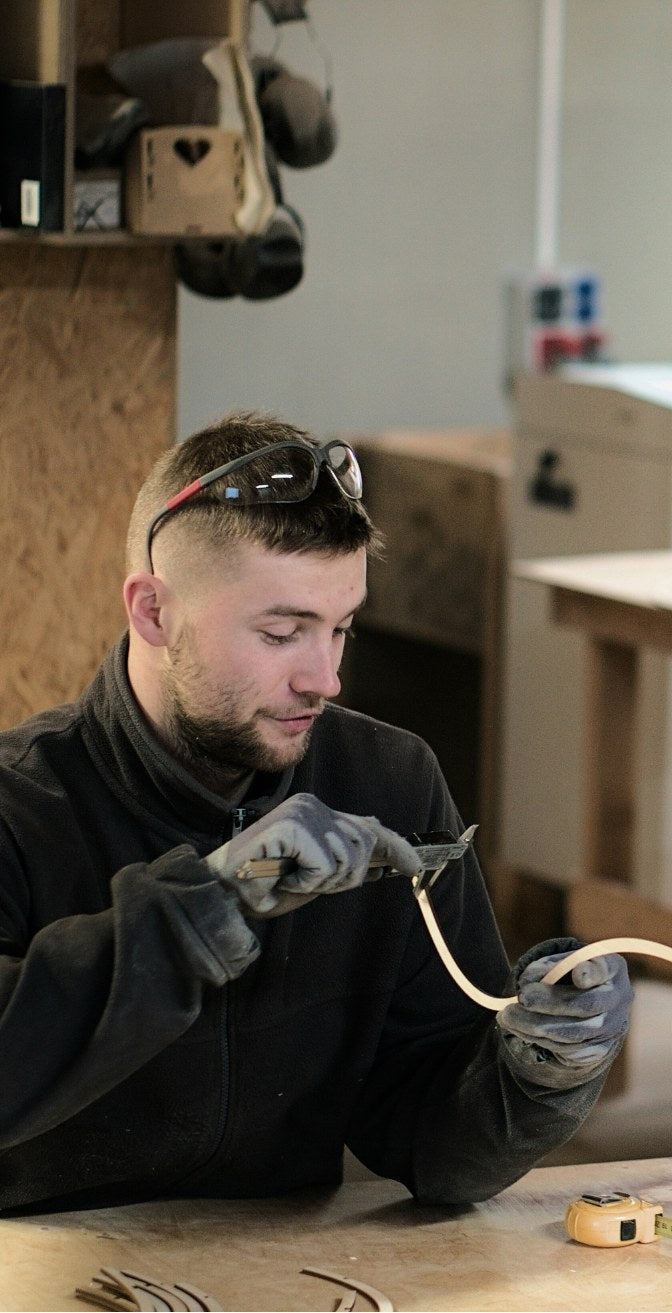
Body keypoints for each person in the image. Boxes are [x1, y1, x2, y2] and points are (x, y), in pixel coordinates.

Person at [0, 413, 632, 1213]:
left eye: (340, 629)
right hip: (46, 1262)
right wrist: (198, 913)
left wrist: (534, 1075)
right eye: (281, 632)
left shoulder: (387, 780)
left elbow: (431, 1142)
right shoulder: (21, 805)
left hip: (283, 1266)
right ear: (153, 612)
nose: (324, 679)